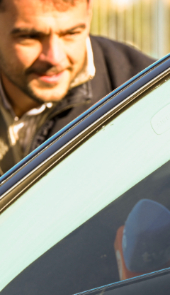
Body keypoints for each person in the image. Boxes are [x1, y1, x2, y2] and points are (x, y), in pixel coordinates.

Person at [0, 0, 152, 173]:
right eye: (30, 37)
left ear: (88, 13)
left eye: (71, 33)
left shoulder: (149, 91)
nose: (55, 58)